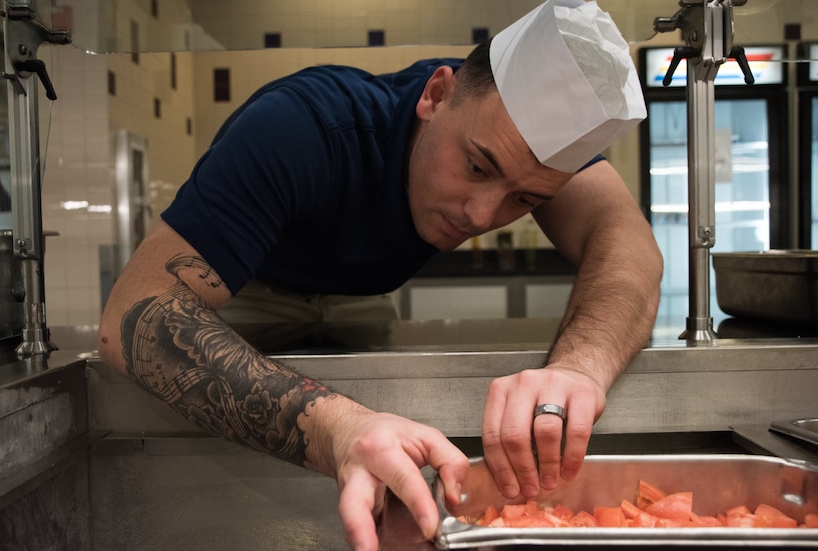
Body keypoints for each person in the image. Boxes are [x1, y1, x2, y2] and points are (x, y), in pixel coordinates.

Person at [98, 0, 662, 549]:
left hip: (360, 299)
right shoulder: (300, 128)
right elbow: (135, 314)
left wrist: (581, 370)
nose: (481, 217)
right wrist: (340, 429)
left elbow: (630, 244)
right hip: (245, 294)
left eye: (523, 198)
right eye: (475, 167)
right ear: (435, 96)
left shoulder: (516, 146)